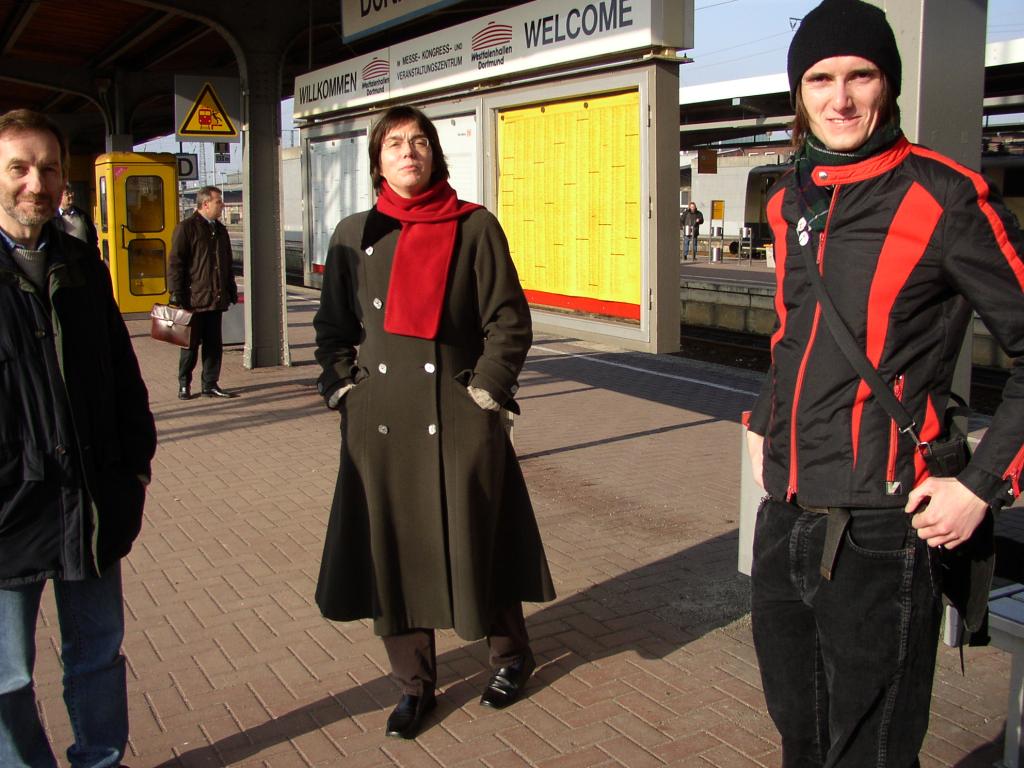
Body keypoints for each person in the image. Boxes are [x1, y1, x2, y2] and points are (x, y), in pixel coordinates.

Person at [744, 1, 1024, 764]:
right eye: (821, 78)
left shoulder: (946, 197)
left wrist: (982, 483)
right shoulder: (786, 200)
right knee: (799, 733)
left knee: (870, 749)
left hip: (883, 527)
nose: (841, 98)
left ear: (887, 85)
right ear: (799, 93)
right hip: (788, 517)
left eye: (860, 76)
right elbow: (791, 332)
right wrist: (763, 420)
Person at [313, 104, 555, 740]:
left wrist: (487, 391)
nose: (408, 152)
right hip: (381, 419)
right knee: (391, 547)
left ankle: (510, 657)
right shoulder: (352, 233)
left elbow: (508, 320)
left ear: (435, 155)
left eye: (419, 142)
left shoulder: (475, 227)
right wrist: (342, 388)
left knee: (482, 532)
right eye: (394, 144)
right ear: (378, 160)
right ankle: (414, 685)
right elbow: (333, 327)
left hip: (458, 411)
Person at [0, 108, 156, 768]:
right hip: (8, 515)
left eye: (48, 168)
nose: (36, 183)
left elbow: (124, 378)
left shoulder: (84, 269)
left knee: (97, 655)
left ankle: (101, 761)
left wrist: (135, 467)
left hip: (91, 503)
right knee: (6, 676)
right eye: (18, 168)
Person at [168, 185, 238, 400]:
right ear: (205, 204)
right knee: (189, 345)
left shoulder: (220, 229)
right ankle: (184, 384)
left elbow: (226, 263)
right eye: (219, 202)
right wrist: (176, 293)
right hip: (193, 299)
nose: (222, 206)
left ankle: (210, 383)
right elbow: (176, 263)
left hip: (215, 297)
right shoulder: (186, 228)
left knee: (213, 345)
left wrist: (230, 288)